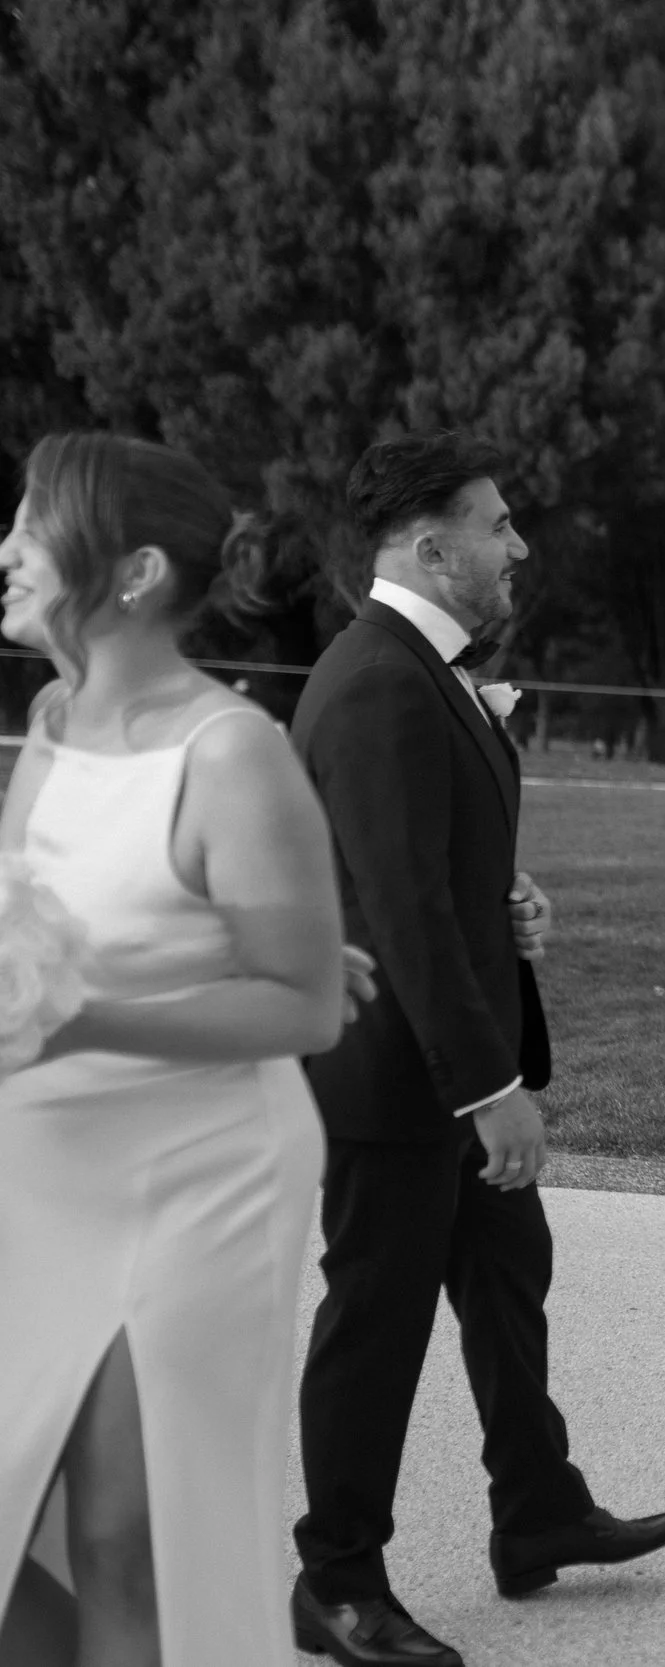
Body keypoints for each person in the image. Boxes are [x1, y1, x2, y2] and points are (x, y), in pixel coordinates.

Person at [290, 432, 665, 1667]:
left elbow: (420, 869)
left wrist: (503, 895)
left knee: (510, 1281)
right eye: (499, 524)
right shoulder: (377, 680)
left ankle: (538, 1511)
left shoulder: (427, 670)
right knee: (376, 1323)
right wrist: (489, 1088)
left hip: (442, 1071)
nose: (519, 546)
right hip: (400, 1084)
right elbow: (396, 906)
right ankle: (338, 1581)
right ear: (429, 545)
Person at [0, 432, 343, 1666]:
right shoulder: (51, 714)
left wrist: (75, 1019)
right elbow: (57, 920)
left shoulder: (231, 751)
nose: (5, 551)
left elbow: (305, 1008)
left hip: (189, 1178)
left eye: (33, 527)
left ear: (134, 570)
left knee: (122, 1542)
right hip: (40, 1171)